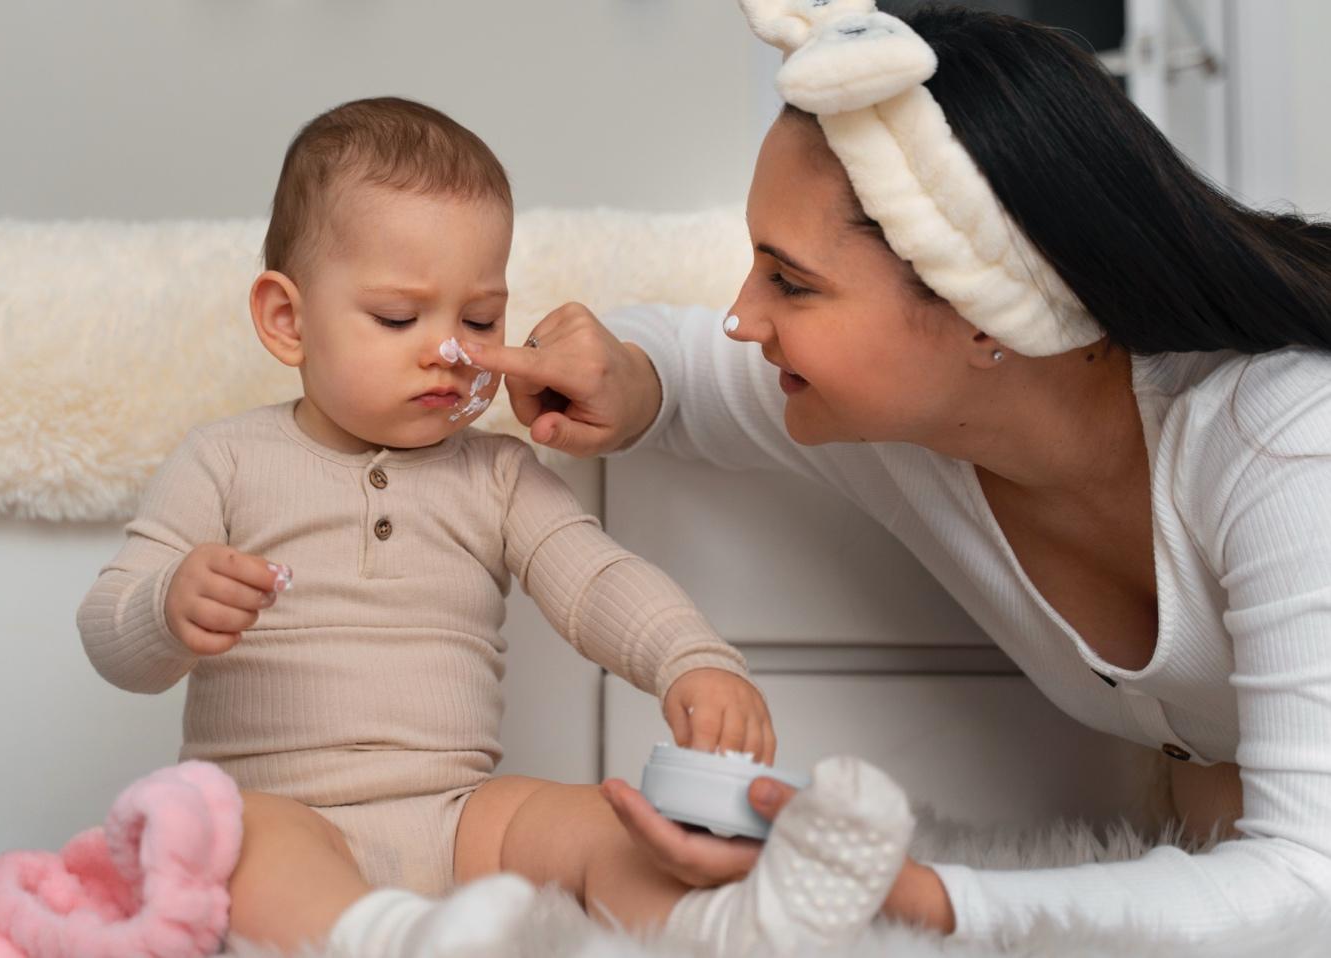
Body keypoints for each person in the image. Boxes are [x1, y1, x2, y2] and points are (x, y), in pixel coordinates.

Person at [464, 0, 1331, 943]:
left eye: (788, 282)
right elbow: (672, 366)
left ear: (984, 312)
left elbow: (1309, 880)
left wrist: (912, 896)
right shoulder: (898, 421)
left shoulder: (1285, 441)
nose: (741, 317)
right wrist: (622, 376)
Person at [75, 95, 915, 958]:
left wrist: (691, 661)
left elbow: (595, 579)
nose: (449, 351)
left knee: (597, 819)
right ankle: (384, 938)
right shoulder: (226, 460)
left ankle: (718, 924)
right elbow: (110, 639)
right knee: (230, 843)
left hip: (456, 817)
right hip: (285, 810)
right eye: (400, 319)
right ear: (287, 320)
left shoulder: (496, 474)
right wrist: (166, 608)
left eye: (479, 319)